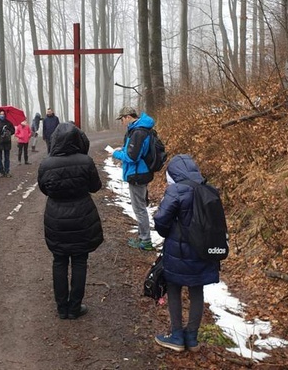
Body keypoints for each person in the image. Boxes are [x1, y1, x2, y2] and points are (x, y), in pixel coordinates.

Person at [153, 155, 220, 352]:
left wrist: (169, 233)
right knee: (197, 291)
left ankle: (176, 336)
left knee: (174, 289)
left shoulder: (177, 190)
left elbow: (161, 221)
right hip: (203, 252)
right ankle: (192, 338)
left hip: (178, 251)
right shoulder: (209, 189)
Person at [38, 122, 102, 319]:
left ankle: (61, 307)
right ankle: (74, 308)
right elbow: (95, 187)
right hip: (82, 215)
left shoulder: (46, 164)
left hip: (56, 216)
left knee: (59, 260)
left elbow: (44, 189)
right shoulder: (86, 161)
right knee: (80, 261)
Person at [111, 106, 156, 251]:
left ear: (128, 117)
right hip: (142, 172)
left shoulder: (138, 132)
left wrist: (116, 154)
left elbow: (132, 157)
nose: (122, 122)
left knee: (139, 209)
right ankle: (143, 237)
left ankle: (146, 241)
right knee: (140, 207)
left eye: (122, 119)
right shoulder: (141, 129)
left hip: (137, 174)